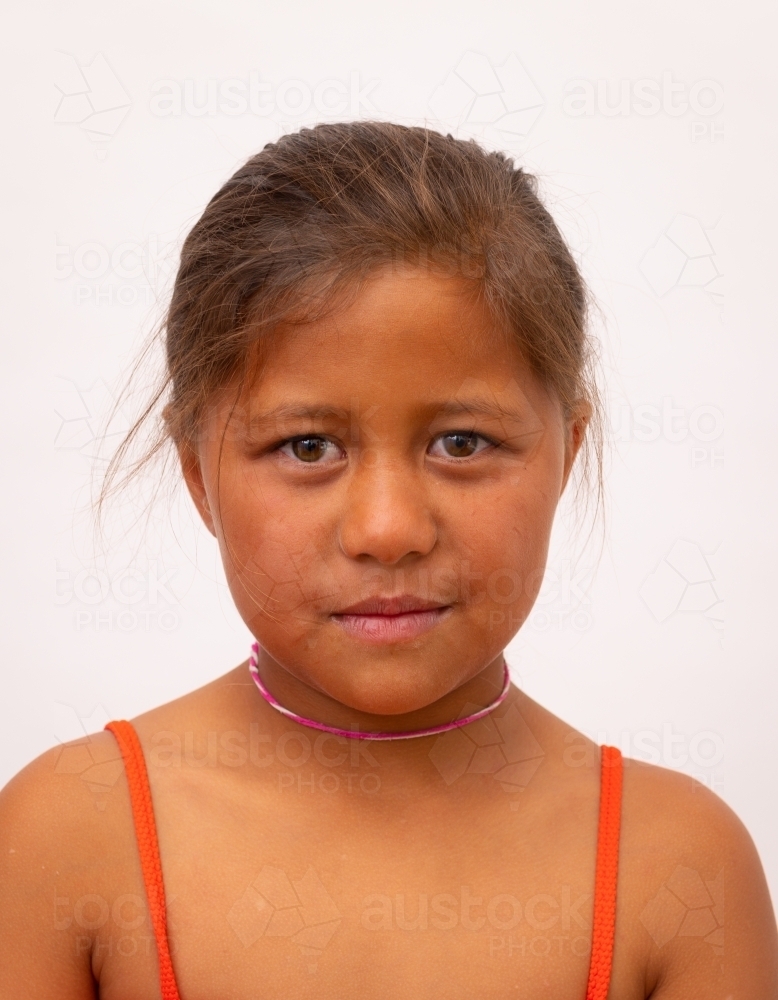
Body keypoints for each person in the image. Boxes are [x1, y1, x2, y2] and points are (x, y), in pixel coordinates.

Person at [1, 122, 776, 999]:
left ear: (568, 447)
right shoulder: (71, 839)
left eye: (461, 440)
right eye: (305, 448)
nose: (387, 529)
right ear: (196, 474)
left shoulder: (674, 867)